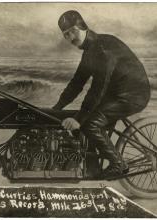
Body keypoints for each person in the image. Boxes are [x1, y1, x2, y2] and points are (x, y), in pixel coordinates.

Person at [53, 10, 151, 177]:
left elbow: (98, 87)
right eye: (66, 34)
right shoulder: (89, 51)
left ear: (83, 26)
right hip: (115, 94)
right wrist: (56, 109)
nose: (70, 37)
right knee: (86, 124)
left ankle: (119, 164)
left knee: (89, 123)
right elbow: (76, 84)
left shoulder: (102, 48)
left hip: (133, 95)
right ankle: (92, 172)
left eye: (72, 31)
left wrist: (79, 119)